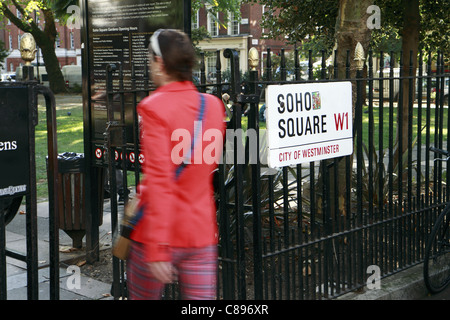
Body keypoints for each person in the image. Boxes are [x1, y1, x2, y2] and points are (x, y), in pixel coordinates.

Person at [127, 29, 225, 300]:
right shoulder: (214, 106)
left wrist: (158, 247)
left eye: (149, 58)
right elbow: (204, 168)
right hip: (200, 233)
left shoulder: (153, 107)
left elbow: (161, 181)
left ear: (160, 62)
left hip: (157, 234)